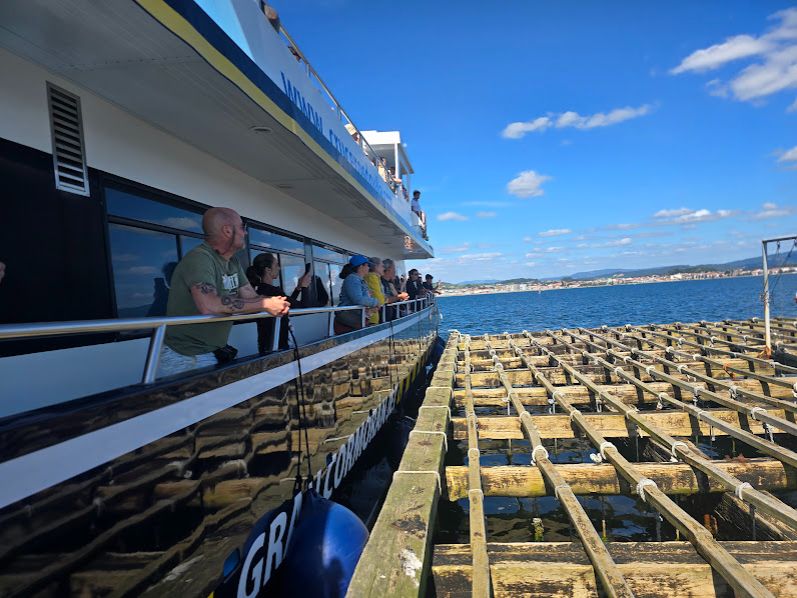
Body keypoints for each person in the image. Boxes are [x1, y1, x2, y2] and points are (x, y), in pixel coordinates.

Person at [160, 207, 289, 376]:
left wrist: (275, 302)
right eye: (243, 228)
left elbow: (251, 297)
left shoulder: (232, 263)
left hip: (211, 350)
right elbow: (209, 305)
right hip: (187, 354)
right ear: (228, 230)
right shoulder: (200, 259)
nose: (246, 233)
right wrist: (265, 304)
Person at [250, 252, 312, 352]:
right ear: (268, 270)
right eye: (276, 265)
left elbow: (288, 303)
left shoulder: (260, 290)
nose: (279, 268)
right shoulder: (273, 291)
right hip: (279, 343)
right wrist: (305, 286)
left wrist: (298, 288)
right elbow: (304, 306)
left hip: (265, 343)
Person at [335, 255, 378, 333]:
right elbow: (357, 299)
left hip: (353, 318)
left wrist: (368, 297)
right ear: (361, 266)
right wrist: (375, 302)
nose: (369, 268)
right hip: (347, 320)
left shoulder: (358, 279)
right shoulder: (352, 278)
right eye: (367, 265)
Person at [364, 257, 387, 325]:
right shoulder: (372, 277)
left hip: (372, 315)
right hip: (371, 317)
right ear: (376, 267)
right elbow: (379, 299)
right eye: (382, 266)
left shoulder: (375, 277)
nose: (384, 268)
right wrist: (385, 299)